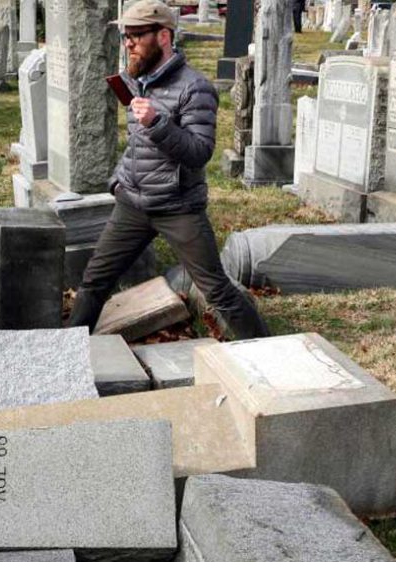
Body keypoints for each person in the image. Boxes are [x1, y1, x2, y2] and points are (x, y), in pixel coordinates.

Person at [67, 0, 270, 340]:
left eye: (135, 35)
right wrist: (119, 180)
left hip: (178, 207)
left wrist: (158, 122)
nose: (128, 43)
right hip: (133, 203)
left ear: (163, 36)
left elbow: (198, 152)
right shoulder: (139, 80)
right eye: (125, 36)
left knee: (216, 289)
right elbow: (137, 144)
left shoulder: (195, 88)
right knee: (94, 282)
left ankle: (268, 351)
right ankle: (66, 354)